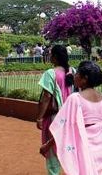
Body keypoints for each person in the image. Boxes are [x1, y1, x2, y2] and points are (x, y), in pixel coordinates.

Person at [48, 61, 102, 174]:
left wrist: (48, 145)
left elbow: (62, 128)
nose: (74, 75)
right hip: (98, 148)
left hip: (81, 148)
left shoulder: (75, 99)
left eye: (78, 73)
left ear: (85, 78)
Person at [36, 45, 75, 175]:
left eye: (52, 54)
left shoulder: (50, 73)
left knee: (52, 149)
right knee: (68, 147)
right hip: (70, 117)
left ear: (56, 57)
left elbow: (46, 96)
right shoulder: (73, 72)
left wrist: (40, 117)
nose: (50, 56)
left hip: (55, 116)